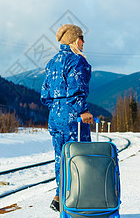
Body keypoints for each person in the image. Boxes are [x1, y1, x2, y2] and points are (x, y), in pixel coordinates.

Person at [40, 24, 94, 212]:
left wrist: (58, 108)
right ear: (73, 39)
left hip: (55, 117)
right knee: (80, 159)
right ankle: (77, 203)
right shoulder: (76, 60)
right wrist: (83, 111)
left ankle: (60, 195)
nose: (83, 41)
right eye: (81, 37)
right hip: (74, 118)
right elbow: (77, 90)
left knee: (61, 156)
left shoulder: (52, 62)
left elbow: (44, 95)